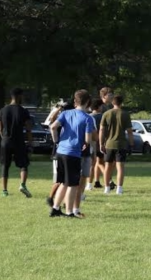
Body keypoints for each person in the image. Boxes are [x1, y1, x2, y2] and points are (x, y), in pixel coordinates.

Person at [49, 90, 96, 218]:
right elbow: (87, 140)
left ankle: (55, 208)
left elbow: (53, 127)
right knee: (73, 184)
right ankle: (69, 212)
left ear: (75, 101)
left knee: (63, 182)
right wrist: (85, 145)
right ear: (87, 102)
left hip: (60, 152)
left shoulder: (65, 113)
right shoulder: (87, 118)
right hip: (73, 153)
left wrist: (56, 141)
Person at [0, 87, 33, 198]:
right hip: (19, 141)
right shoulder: (23, 111)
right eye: (22, 95)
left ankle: (4, 191)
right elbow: (28, 128)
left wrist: (5, 139)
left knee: (5, 166)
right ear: (19, 96)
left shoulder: (3, 110)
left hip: (6, 141)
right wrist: (30, 143)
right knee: (24, 164)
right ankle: (22, 185)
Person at [98, 94, 133, 195]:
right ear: (121, 103)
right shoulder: (125, 114)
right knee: (120, 167)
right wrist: (131, 144)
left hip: (109, 144)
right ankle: (119, 189)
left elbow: (101, 130)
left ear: (112, 102)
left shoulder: (106, 114)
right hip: (121, 144)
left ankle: (107, 188)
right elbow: (130, 131)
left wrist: (101, 143)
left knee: (107, 167)